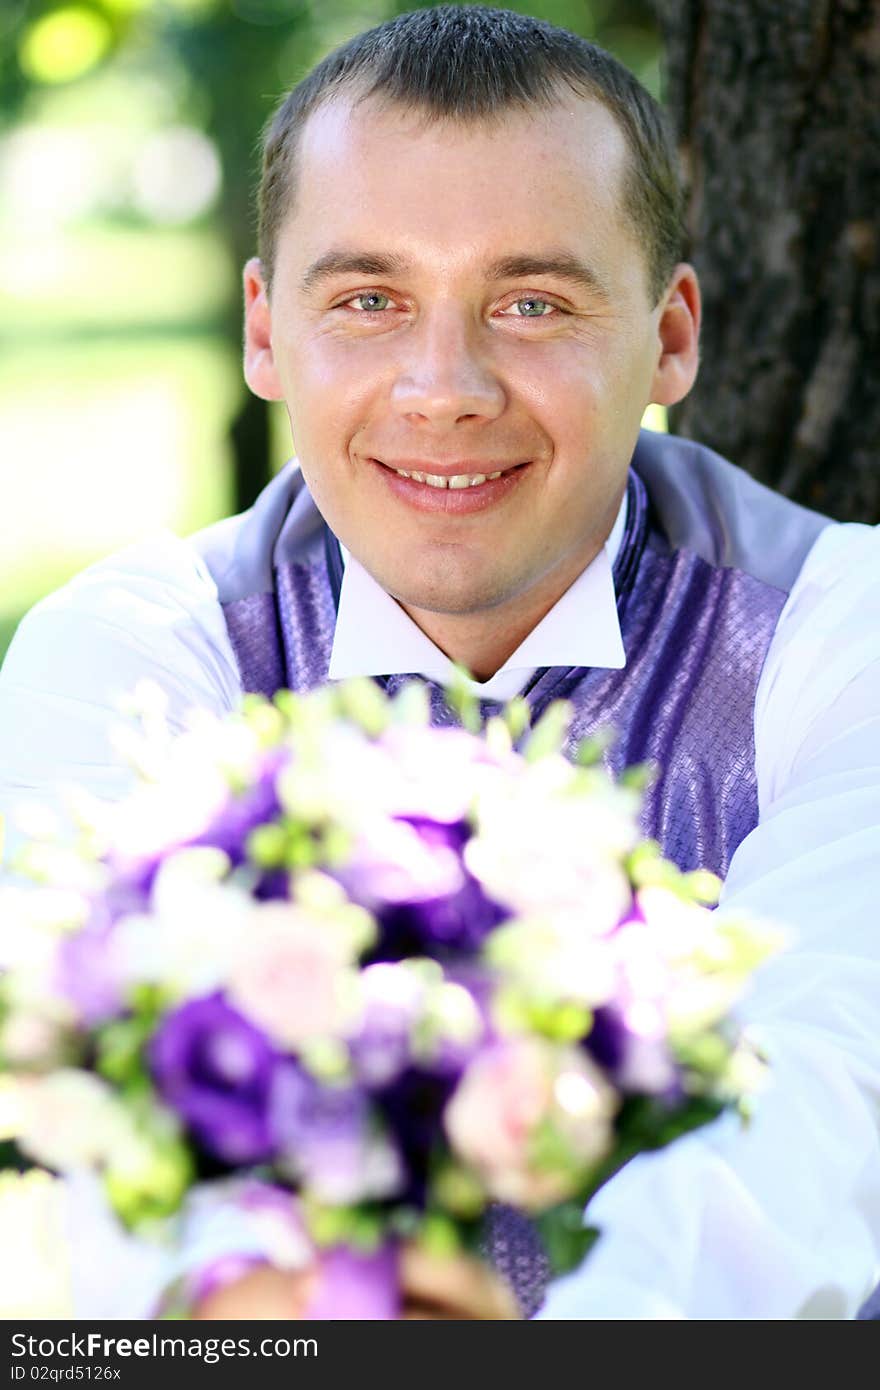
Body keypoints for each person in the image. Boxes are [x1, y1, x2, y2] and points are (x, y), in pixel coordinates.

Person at [2, 5, 879, 1320]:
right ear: (263, 329)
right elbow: (138, 1176)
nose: (445, 385)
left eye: (532, 302)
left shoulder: (837, 628)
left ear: (673, 336)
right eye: (369, 300)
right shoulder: (131, 657)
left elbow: (824, 1099)